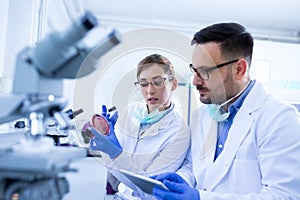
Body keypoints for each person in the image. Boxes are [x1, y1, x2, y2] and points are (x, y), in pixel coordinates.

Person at [152, 22, 300, 199]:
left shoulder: (279, 118)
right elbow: (194, 166)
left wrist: (200, 198)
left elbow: (284, 195)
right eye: (195, 70)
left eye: (205, 71)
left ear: (239, 69)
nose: (195, 82)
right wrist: (182, 180)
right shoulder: (201, 116)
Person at [86, 53, 191, 199]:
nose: (149, 90)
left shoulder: (179, 132)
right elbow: (113, 167)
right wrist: (105, 137)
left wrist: (115, 153)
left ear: (173, 84)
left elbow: (150, 186)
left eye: (158, 82)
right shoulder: (130, 112)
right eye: (143, 83)